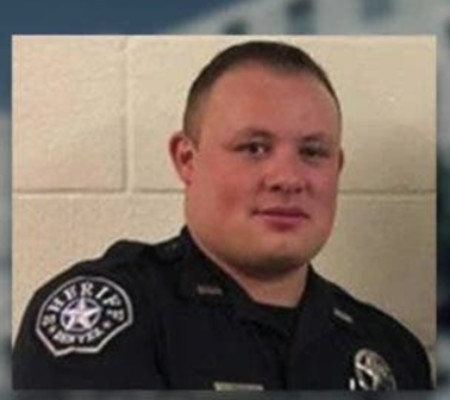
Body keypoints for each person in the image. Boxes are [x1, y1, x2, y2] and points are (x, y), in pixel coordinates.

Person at [13, 40, 432, 390]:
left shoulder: (394, 354)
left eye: (312, 152)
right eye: (254, 148)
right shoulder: (108, 319)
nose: (288, 178)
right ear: (187, 159)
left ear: (337, 169)